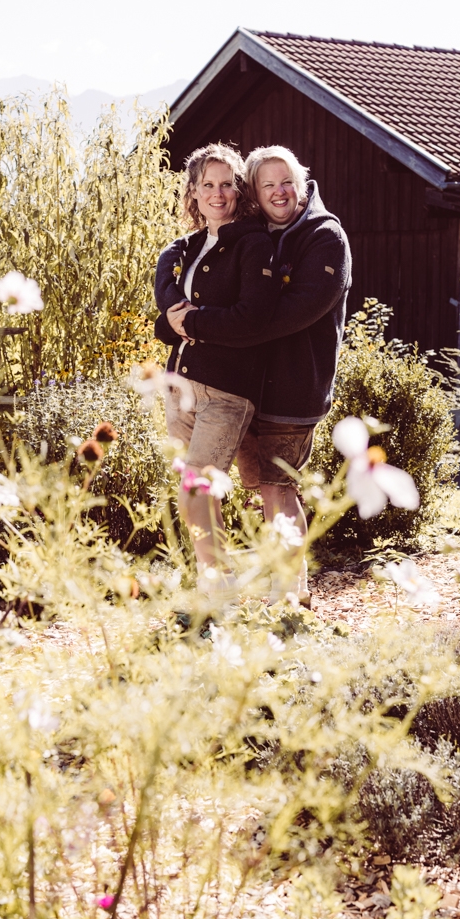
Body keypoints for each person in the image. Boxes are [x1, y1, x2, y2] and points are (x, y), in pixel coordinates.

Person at [173, 145, 352, 604]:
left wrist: (211, 324)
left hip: (294, 388)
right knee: (256, 488)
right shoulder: (253, 236)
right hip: (246, 385)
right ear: (254, 192)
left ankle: (291, 593)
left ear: (301, 183)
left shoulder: (324, 237)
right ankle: (256, 585)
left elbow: (288, 314)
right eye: (267, 184)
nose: (279, 191)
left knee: (277, 487)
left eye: (286, 181)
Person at [153, 143, 277, 593]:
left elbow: (253, 318)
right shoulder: (185, 248)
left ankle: (220, 589)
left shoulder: (252, 243)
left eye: (227, 184)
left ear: (238, 190)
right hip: (179, 387)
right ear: (194, 190)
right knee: (192, 491)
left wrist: (193, 323)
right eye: (208, 184)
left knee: (200, 488)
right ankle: (215, 579)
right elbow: (166, 322)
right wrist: (175, 324)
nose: (218, 193)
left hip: (226, 390)